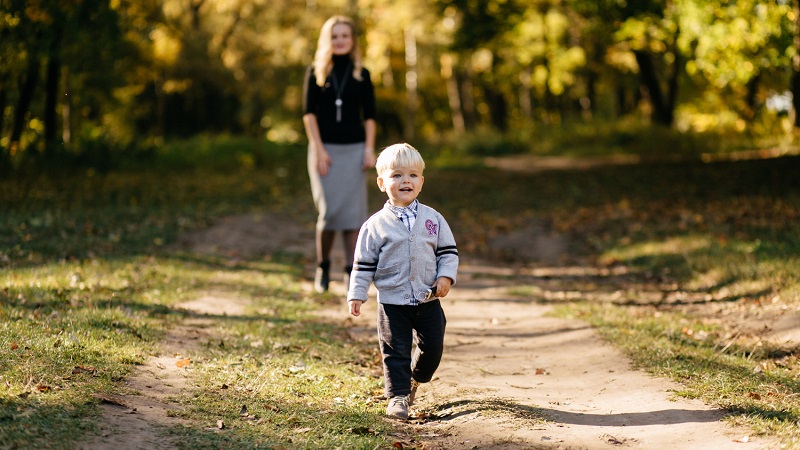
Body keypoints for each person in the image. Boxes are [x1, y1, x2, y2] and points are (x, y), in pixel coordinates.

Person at [346, 143, 459, 420]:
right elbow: (363, 264)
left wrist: (445, 277)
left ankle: (415, 379)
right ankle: (397, 396)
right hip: (392, 303)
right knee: (395, 351)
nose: (405, 180)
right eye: (396, 175)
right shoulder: (375, 225)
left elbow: (447, 252)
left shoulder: (434, 219)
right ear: (382, 183)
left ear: (421, 182)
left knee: (433, 347)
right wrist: (357, 293)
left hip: (428, 298)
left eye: (412, 175)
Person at [303, 15, 377, 293]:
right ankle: (322, 267)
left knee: (353, 215)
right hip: (325, 151)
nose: (340, 40)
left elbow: (370, 116)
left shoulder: (362, 74)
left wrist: (369, 149)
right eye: (335, 36)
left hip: (355, 149)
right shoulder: (315, 72)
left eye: (345, 35)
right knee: (329, 212)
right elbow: (308, 114)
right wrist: (319, 150)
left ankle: (350, 272)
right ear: (327, 40)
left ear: (353, 39)